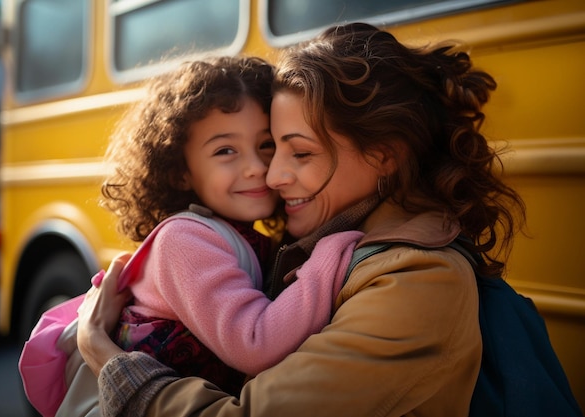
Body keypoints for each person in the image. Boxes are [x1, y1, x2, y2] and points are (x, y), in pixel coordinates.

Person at [77, 23, 526, 417]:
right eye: (275, 147)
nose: (269, 175)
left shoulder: (416, 279)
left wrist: (109, 361)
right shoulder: (324, 244)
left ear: (384, 155)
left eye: (300, 152)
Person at [65, 55, 363, 399]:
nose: (255, 166)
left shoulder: (243, 235)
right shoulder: (183, 240)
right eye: (225, 150)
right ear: (180, 171)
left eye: (266, 145)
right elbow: (256, 344)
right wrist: (331, 251)